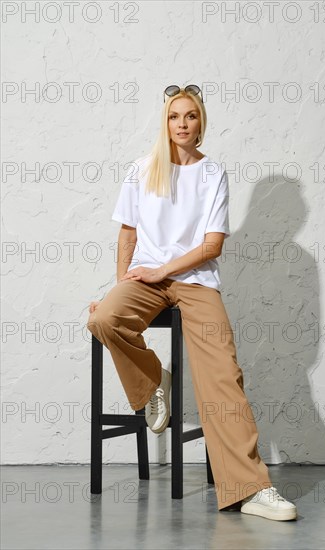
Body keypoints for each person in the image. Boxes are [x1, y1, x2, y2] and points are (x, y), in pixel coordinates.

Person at [87, 84, 297, 521]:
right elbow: (127, 234)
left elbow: (211, 246)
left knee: (224, 374)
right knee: (105, 318)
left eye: (191, 116)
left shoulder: (212, 173)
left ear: (201, 123)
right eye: (174, 116)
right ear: (164, 122)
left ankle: (251, 489)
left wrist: (164, 271)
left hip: (195, 281)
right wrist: (120, 285)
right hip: (144, 277)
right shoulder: (141, 169)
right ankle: (152, 381)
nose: (182, 123)